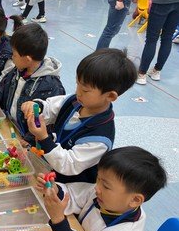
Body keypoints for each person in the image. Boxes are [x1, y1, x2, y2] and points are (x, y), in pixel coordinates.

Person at [34, 146, 167, 231]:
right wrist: (56, 191)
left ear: (134, 200)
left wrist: (58, 220)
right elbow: (73, 196)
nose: (97, 187)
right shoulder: (104, 196)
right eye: (98, 179)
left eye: (106, 186)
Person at [22, 48, 137, 184]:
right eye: (77, 84)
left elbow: (68, 164)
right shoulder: (76, 101)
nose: (78, 92)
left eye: (85, 90)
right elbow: (51, 107)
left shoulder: (99, 139)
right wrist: (36, 107)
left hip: (71, 189)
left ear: (110, 96)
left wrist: (43, 138)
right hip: (48, 173)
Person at [0, 23, 65, 145]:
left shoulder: (51, 86)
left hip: (27, 142)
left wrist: (27, 140)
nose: (12, 58)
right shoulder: (18, 70)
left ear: (27, 59)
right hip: (10, 126)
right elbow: (2, 86)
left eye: (14, 54)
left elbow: (47, 122)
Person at [136, 0, 179, 85]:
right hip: (178, 3)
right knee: (167, 37)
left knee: (152, 39)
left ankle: (142, 74)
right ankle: (156, 71)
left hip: (162, 1)